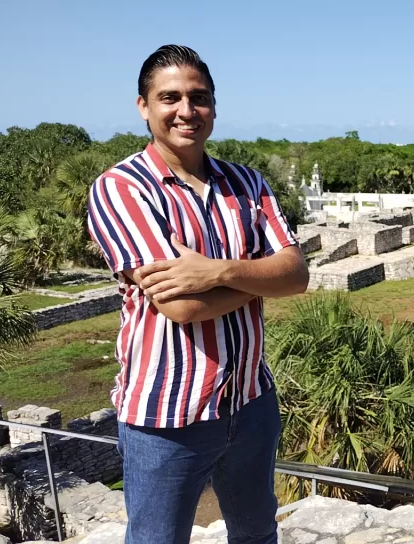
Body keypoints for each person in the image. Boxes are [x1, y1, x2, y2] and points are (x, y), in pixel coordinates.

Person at [87, 45, 310, 544]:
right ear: (144, 106)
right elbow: (182, 307)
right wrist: (258, 281)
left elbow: (296, 274)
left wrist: (216, 270)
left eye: (199, 97)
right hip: (166, 415)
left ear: (213, 104)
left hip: (250, 402)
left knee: (256, 535)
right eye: (170, 97)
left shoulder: (246, 183)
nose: (186, 111)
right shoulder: (122, 189)